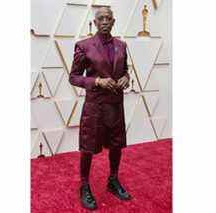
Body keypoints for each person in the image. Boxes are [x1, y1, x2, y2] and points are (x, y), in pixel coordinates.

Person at [69, 7, 132, 210]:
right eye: (100, 18)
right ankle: (85, 185)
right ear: (95, 23)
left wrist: (125, 78)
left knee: (116, 145)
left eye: (108, 18)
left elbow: (125, 71)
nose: (104, 21)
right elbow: (74, 77)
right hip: (94, 108)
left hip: (115, 106)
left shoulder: (122, 46)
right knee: (88, 148)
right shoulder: (84, 46)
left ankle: (113, 180)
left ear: (113, 22)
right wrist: (97, 81)